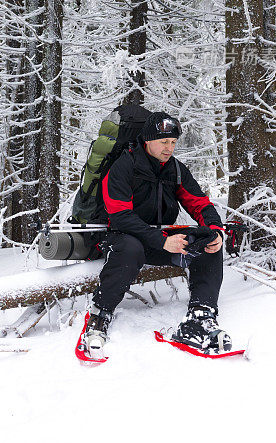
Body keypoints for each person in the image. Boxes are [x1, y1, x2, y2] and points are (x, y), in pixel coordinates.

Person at [84, 111, 229, 355]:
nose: (169, 148)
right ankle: (100, 314)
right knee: (131, 248)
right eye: (163, 142)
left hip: (159, 239)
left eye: (173, 142)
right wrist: (162, 242)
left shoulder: (176, 169)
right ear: (148, 140)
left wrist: (215, 230)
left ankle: (200, 314)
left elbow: (200, 203)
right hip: (119, 235)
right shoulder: (124, 166)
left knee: (206, 241)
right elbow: (120, 216)